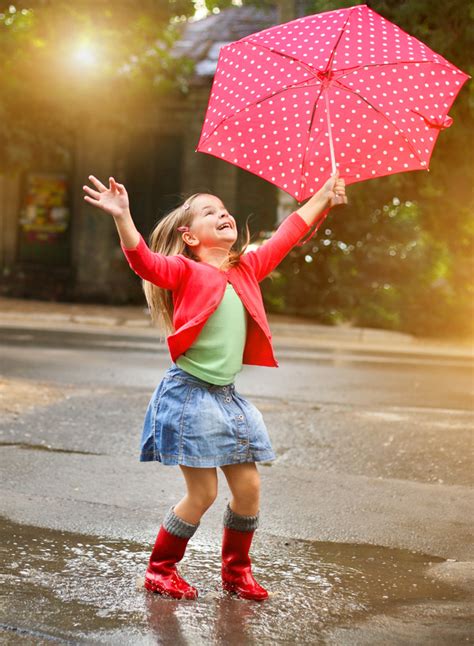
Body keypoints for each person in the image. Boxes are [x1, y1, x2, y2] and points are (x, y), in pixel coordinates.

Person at [82, 173, 347, 602]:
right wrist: (122, 217)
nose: (222, 213)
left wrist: (323, 196)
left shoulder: (247, 269)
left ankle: (236, 573)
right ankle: (159, 570)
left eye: (224, 209)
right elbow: (145, 262)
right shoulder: (185, 271)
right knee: (202, 493)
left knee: (249, 489)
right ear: (188, 237)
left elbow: (288, 233)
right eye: (210, 211)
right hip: (189, 394)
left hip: (226, 398)